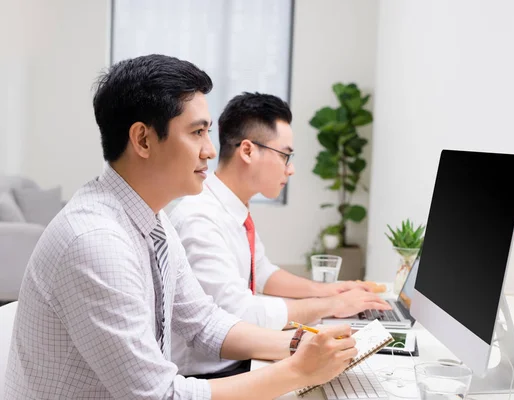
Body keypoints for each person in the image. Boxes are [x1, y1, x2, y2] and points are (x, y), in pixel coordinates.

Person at [4, 54, 358, 400]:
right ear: (143, 139)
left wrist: (299, 344)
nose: (210, 151)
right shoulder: (97, 242)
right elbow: (159, 395)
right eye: (197, 133)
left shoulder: (151, 220)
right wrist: (298, 370)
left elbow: (202, 321)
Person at [168, 92, 391, 377]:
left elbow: (262, 271)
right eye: (285, 156)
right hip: (209, 373)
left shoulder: (232, 206)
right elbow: (239, 314)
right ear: (247, 151)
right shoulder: (199, 219)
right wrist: (330, 305)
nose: (291, 169)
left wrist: (329, 290)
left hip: (240, 360)